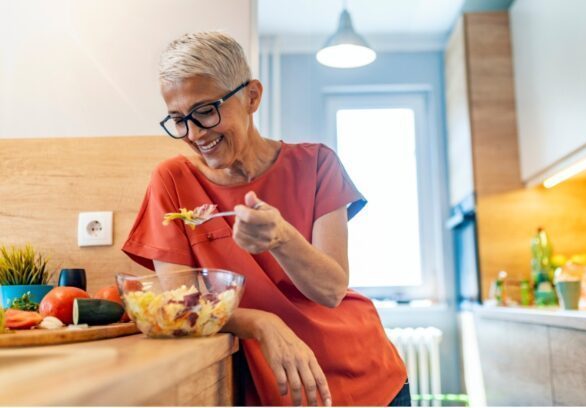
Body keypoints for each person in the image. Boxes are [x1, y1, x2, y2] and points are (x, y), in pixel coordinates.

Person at [122, 31, 409, 406]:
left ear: (252, 97)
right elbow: (181, 306)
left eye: (206, 111)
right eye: (178, 119)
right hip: (277, 388)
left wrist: (282, 238)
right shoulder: (172, 182)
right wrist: (260, 323)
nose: (193, 133)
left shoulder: (317, 164)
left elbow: (331, 289)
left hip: (369, 379)